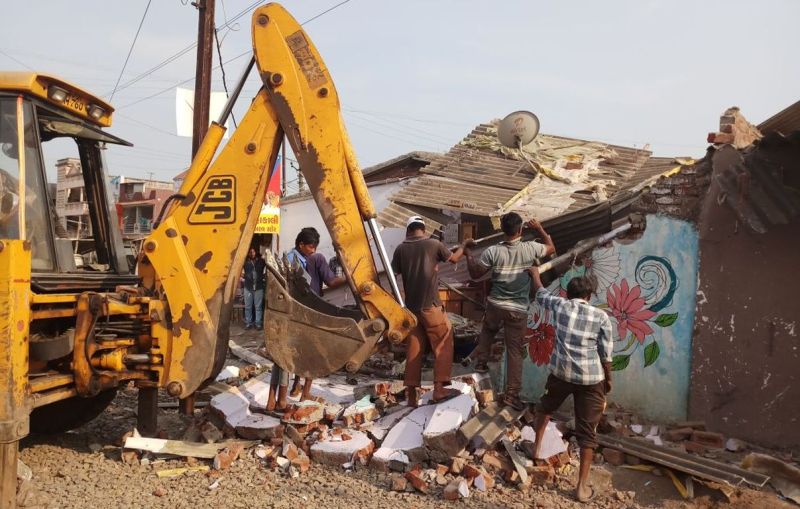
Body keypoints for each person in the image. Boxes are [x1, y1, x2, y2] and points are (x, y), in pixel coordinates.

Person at [528, 267, 613, 503]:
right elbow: (606, 354)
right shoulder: (601, 317)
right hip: (590, 379)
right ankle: (581, 488)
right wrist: (608, 380)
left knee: (545, 408)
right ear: (589, 296)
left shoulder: (560, 306)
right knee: (587, 433)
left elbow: (541, 293)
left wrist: (535, 274)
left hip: (561, 374)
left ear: (567, 293)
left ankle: (536, 449)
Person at [463, 212, 555, 410]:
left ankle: (481, 363)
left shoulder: (492, 251)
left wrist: (468, 253)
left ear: (502, 229)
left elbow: (476, 273)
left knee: (488, 330)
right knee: (514, 351)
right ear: (520, 230)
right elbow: (551, 248)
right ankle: (511, 395)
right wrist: (539, 229)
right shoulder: (530, 248)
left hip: (495, 305)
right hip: (517, 309)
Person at [391, 215, 468, 407]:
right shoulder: (434, 244)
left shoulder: (400, 249)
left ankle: (411, 395)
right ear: (423, 229)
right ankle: (439, 389)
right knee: (443, 341)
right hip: (430, 306)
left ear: (408, 230)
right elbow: (454, 258)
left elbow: (393, 275)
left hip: (411, 310)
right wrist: (464, 245)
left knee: (414, 349)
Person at [267, 227, 346, 411]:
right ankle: (285, 399)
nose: (313, 250)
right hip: (296, 313)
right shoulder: (303, 260)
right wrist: (349, 278)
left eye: (315, 247)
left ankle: (278, 398)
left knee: (284, 356)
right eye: (311, 246)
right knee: (299, 354)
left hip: (290, 312)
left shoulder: (296, 258)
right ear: (301, 244)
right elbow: (329, 282)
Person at [242, 247, 266, 330]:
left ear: (256, 252)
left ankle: (258, 323)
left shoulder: (261, 261)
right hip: (248, 287)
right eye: (250, 252)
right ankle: (248, 323)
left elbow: (269, 267)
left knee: (258, 307)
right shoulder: (245, 261)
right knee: (248, 307)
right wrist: (243, 275)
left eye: (253, 251)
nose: (252, 253)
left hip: (259, 287)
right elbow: (238, 269)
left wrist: (264, 276)